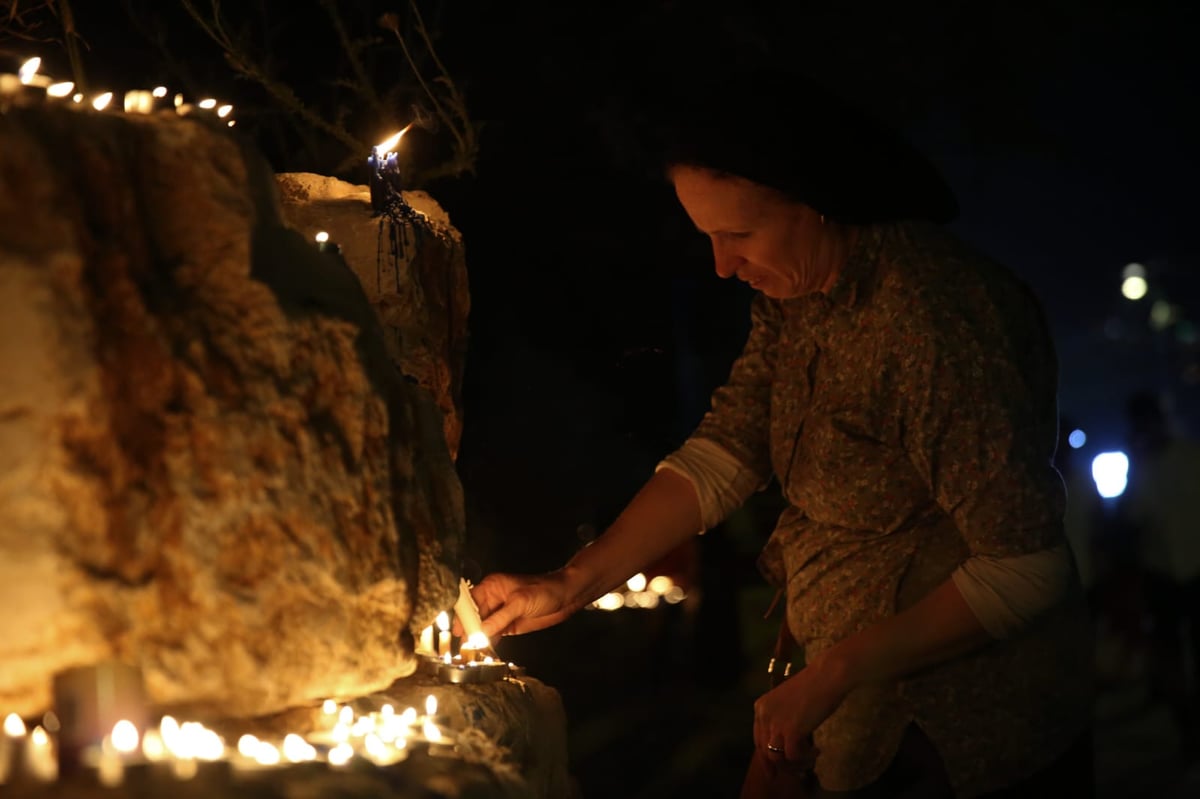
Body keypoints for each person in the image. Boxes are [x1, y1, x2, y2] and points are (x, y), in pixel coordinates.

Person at [471, 67, 1094, 797]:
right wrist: (569, 583)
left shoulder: (932, 320)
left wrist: (837, 669)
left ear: (816, 198)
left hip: (965, 743)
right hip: (848, 725)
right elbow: (726, 449)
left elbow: (1026, 566)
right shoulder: (799, 295)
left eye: (738, 234)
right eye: (707, 236)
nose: (722, 266)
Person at [1121, 390, 1200, 756]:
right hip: (1162, 578)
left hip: (1191, 573)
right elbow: (1132, 524)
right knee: (1169, 656)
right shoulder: (1143, 468)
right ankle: (1187, 729)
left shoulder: (1189, 457)